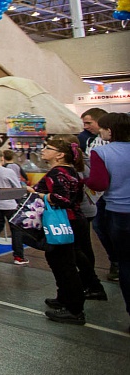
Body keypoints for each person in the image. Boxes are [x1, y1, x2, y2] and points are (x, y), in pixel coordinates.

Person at [31, 137, 87, 325]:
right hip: (71, 220)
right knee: (60, 261)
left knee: (65, 265)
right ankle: (64, 298)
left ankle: (74, 309)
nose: (43, 150)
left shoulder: (58, 173)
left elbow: (62, 199)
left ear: (60, 154)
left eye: (48, 148)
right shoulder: (70, 171)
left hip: (62, 221)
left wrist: (39, 194)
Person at [84, 111, 130, 325]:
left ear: (110, 131)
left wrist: (85, 181)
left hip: (119, 213)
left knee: (126, 263)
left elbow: (99, 183)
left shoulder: (102, 152)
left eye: (102, 128)